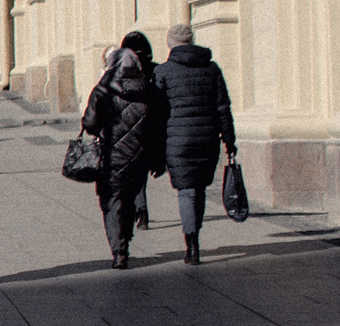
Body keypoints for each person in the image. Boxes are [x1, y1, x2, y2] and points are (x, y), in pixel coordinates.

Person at [154, 22, 238, 264]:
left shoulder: (163, 72)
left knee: (186, 192)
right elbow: (223, 107)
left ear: (170, 43)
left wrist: (156, 148)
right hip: (207, 138)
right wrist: (229, 141)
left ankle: (190, 242)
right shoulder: (212, 69)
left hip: (177, 140)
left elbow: (158, 114)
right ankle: (195, 239)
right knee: (198, 189)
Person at [85, 32, 167, 268]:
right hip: (140, 156)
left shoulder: (102, 91)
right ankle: (126, 239)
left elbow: (90, 125)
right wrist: (158, 159)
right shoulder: (149, 90)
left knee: (111, 201)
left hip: (111, 157)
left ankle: (119, 250)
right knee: (130, 198)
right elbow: (158, 126)